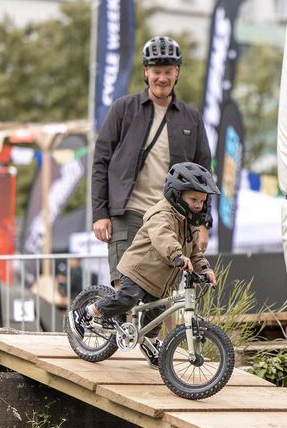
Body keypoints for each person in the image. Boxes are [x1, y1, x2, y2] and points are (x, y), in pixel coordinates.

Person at [91, 35, 213, 287]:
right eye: (156, 71)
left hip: (171, 216)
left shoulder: (191, 118)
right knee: (125, 288)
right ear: (146, 72)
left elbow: (204, 174)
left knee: (163, 295)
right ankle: (118, 327)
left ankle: (163, 330)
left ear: (177, 72)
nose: (162, 78)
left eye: (168, 71)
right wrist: (100, 213)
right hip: (128, 212)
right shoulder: (123, 109)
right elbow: (101, 162)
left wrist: (203, 224)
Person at [78, 162, 219, 367]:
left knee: (160, 310)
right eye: (193, 199)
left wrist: (205, 269)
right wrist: (178, 256)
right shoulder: (161, 214)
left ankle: (149, 341)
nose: (198, 204)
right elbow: (163, 236)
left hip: (160, 280)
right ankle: (88, 312)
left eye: (202, 200)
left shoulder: (191, 223)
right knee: (128, 298)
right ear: (176, 195)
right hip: (138, 270)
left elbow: (195, 252)